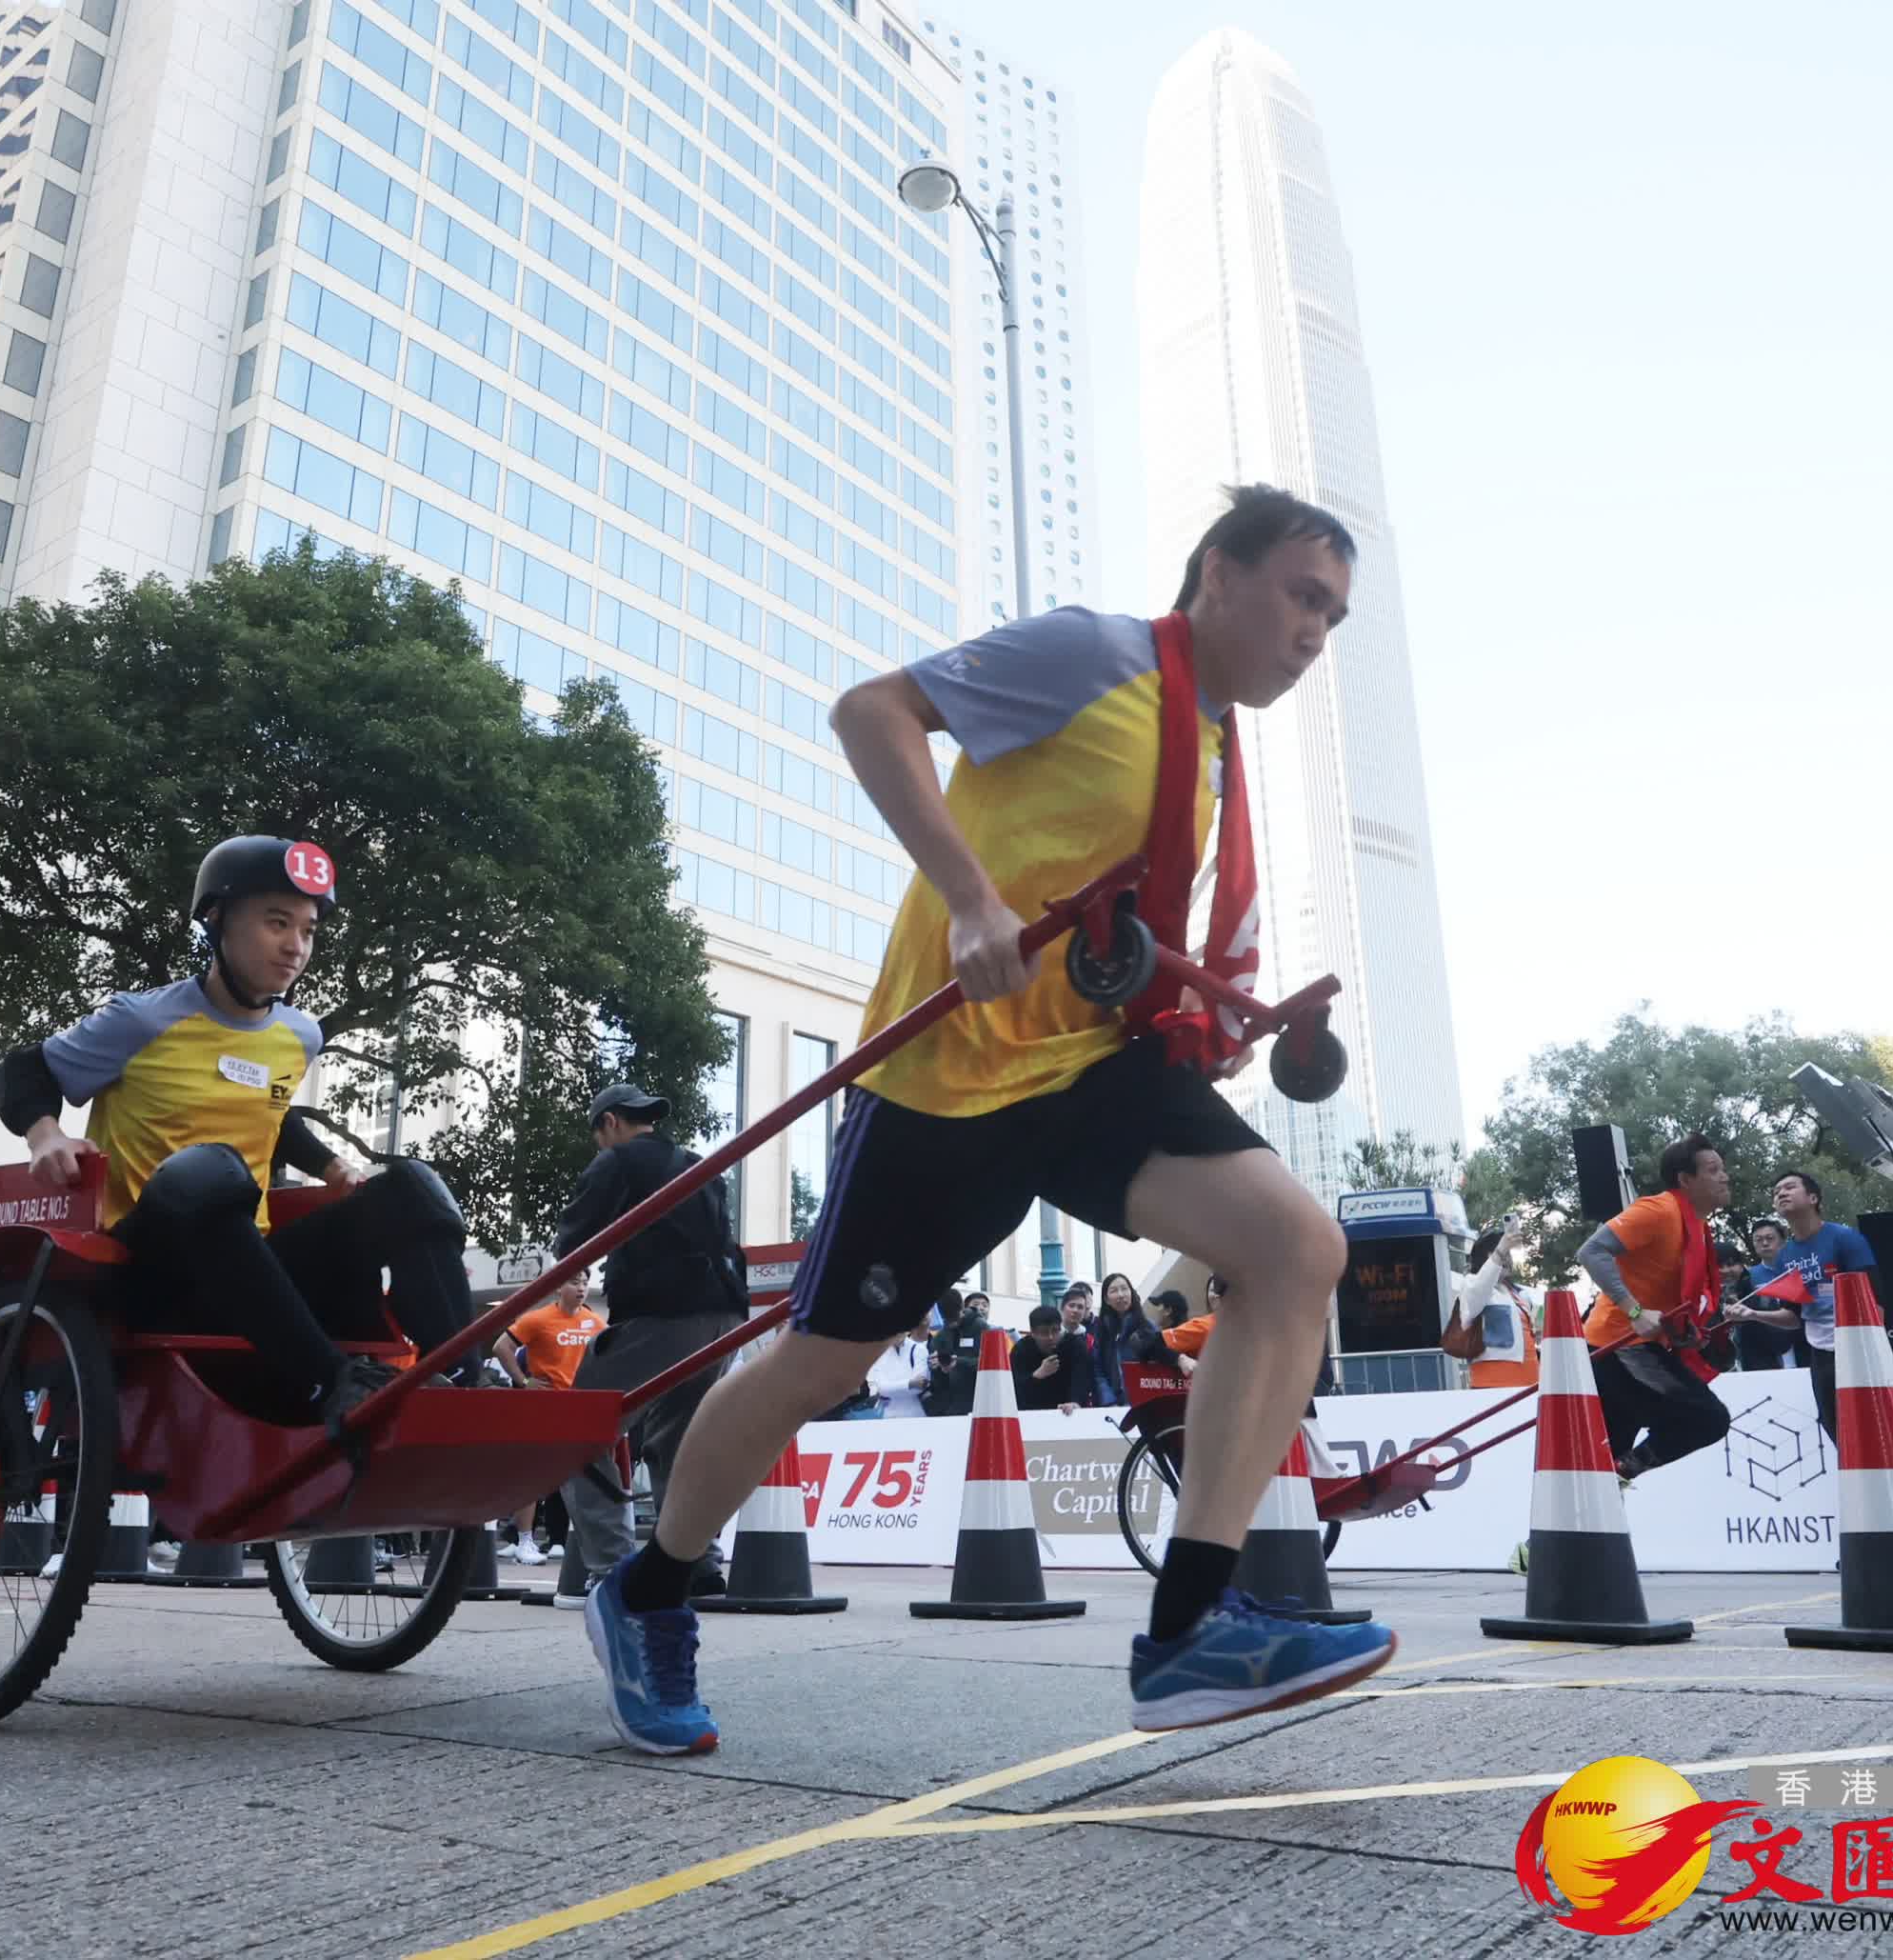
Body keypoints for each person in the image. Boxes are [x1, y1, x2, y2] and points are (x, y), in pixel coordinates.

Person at [585, 486, 1390, 1756]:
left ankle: (1190, 1630)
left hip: (1086, 1074)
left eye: (1334, 616)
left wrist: (1229, 1019)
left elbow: (1128, 931)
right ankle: (648, 1587)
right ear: (1217, 577)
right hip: (943, 1078)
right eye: (1301, 596)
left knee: (1297, 1247)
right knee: (825, 1362)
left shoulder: (1217, 753)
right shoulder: (1095, 653)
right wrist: (967, 897)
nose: (1314, 632)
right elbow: (872, 710)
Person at [0, 836, 480, 1431]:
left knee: (411, 1187)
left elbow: (271, 1116)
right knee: (209, 1170)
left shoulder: (299, 1037)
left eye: (307, 930)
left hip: (256, 1270)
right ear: (218, 920)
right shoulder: (143, 1019)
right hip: (150, 1270)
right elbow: (22, 1069)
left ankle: (462, 1378)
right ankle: (333, 1381)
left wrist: (329, 1165)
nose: (295, 947)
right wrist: (46, 1137)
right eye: (277, 923)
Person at [548, 1082, 748, 1599]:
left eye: (598, 1135)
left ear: (610, 1123)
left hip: (665, 1315)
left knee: (578, 1431)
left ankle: (612, 1569)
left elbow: (573, 1238)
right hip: (724, 1316)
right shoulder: (696, 1162)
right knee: (676, 1441)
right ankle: (698, 1565)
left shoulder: (620, 1161)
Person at [1577, 1134, 1735, 1480]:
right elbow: (1591, 1252)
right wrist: (1634, 1311)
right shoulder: (1659, 1210)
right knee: (1708, 1419)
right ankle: (1619, 1472)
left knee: (1599, 1462)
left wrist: (1683, 1333)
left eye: (1723, 1169)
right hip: (1618, 1345)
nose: (1725, 1176)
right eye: (1713, 1169)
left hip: (1632, 1347)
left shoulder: (1697, 1226)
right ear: (1685, 1180)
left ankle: (1608, 1485)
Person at [1741, 1168, 1876, 1441]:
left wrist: (1871, 1347)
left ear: (1813, 1198)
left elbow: (1876, 1298)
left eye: (1789, 1187)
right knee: (1834, 1426)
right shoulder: (1785, 1255)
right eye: (1777, 1192)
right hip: (1819, 1352)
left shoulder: (1845, 1238)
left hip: (1857, 1345)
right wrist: (1751, 1314)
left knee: (1870, 1423)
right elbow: (1793, 1317)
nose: (1781, 1194)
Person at [495, 1271, 607, 1564]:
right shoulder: (538, 1319)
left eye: (584, 1283)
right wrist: (523, 1381)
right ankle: (525, 1541)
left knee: (581, 1476)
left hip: (580, 1408)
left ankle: (580, 1541)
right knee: (531, 1475)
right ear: (559, 1286)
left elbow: (608, 1356)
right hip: (543, 1406)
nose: (581, 1288)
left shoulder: (596, 1323)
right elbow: (501, 1347)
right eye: (574, 1282)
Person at [1449, 1224, 1541, 1390]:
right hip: (1493, 1384)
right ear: (1483, 1258)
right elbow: (1480, 1288)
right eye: (1498, 1251)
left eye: (1508, 1253)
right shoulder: (1471, 1286)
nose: (1505, 1257)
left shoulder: (1519, 1294)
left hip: (1530, 1381)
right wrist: (1501, 1249)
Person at [1729, 1219, 1800, 1370]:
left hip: (1802, 1341)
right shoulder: (1748, 1276)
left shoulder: (1798, 1270)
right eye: (1758, 1240)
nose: (1765, 1243)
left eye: (1770, 1238)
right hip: (1766, 1351)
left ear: (1782, 1241)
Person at [1009, 1302, 1092, 1412]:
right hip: (1032, 1413)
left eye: (1055, 1331)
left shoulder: (1075, 1345)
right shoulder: (1021, 1350)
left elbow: (1082, 1379)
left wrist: (1075, 1402)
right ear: (1033, 1333)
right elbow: (1014, 1388)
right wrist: (1037, 1375)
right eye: (1044, 1333)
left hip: (1067, 1411)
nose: (1050, 1337)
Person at [926, 1289, 993, 1416]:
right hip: (951, 1407)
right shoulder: (939, 1338)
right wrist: (938, 1368)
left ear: (962, 1307)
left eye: (956, 1319)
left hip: (981, 1404)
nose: (953, 1324)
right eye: (948, 1320)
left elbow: (992, 1363)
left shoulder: (980, 1327)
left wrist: (959, 1362)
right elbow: (937, 1383)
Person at [1088, 1270, 1144, 1407]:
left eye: (1124, 1289)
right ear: (1106, 1299)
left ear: (1131, 1293)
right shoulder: (1101, 1329)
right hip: (1111, 1406)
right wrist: (1108, 1400)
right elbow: (1097, 1368)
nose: (1120, 1295)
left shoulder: (1146, 1327)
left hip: (1141, 1404)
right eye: (1114, 1291)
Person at [864, 1328, 931, 1418]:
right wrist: (910, 1383)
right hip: (885, 1415)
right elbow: (881, 1388)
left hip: (914, 1414)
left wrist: (890, 1388)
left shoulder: (919, 1349)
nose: (897, 1333)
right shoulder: (878, 1352)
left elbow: (919, 1387)